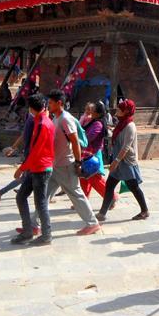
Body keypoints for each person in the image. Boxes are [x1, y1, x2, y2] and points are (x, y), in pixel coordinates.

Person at [43, 89, 101, 235]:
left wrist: (77, 162)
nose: (48, 105)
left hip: (66, 164)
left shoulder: (65, 119)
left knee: (76, 194)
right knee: (44, 195)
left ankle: (92, 223)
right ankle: (34, 223)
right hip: (56, 165)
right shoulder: (56, 118)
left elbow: (75, 142)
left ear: (59, 103)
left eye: (50, 103)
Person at [96, 99, 149, 222]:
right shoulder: (121, 124)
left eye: (120, 109)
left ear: (126, 111)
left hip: (126, 162)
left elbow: (126, 146)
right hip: (118, 161)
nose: (117, 111)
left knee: (133, 187)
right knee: (109, 186)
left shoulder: (130, 126)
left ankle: (144, 210)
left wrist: (115, 162)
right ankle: (102, 213)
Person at [12, 94, 55, 245]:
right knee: (21, 197)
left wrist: (21, 168)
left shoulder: (43, 123)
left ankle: (46, 234)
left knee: (40, 203)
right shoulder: (39, 120)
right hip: (35, 166)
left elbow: (36, 150)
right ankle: (27, 231)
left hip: (41, 167)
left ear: (31, 108)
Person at [79, 101, 118, 207]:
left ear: (98, 112)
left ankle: (112, 197)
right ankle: (83, 201)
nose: (91, 111)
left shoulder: (98, 124)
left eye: (93, 110)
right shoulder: (91, 121)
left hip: (92, 156)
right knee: (83, 178)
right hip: (84, 155)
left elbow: (88, 138)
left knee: (94, 179)